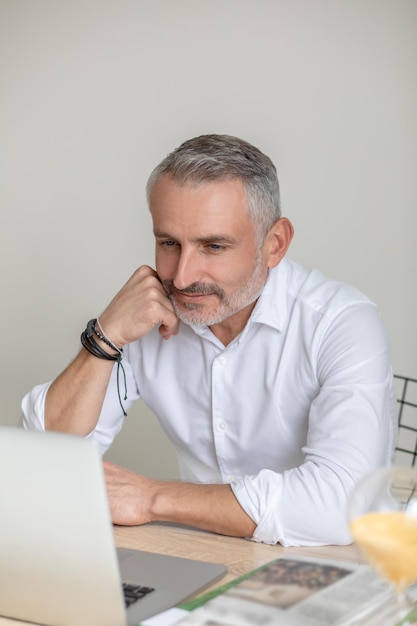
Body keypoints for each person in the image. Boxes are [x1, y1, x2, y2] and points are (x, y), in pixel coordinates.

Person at [21, 134, 397, 547]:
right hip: (207, 558)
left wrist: (154, 498)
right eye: (169, 243)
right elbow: (41, 462)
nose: (181, 277)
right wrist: (105, 337)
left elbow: (341, 504)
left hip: (343, 569)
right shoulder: (146, 315)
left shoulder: (341, 323)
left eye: (213, 246)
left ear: (275, 245)